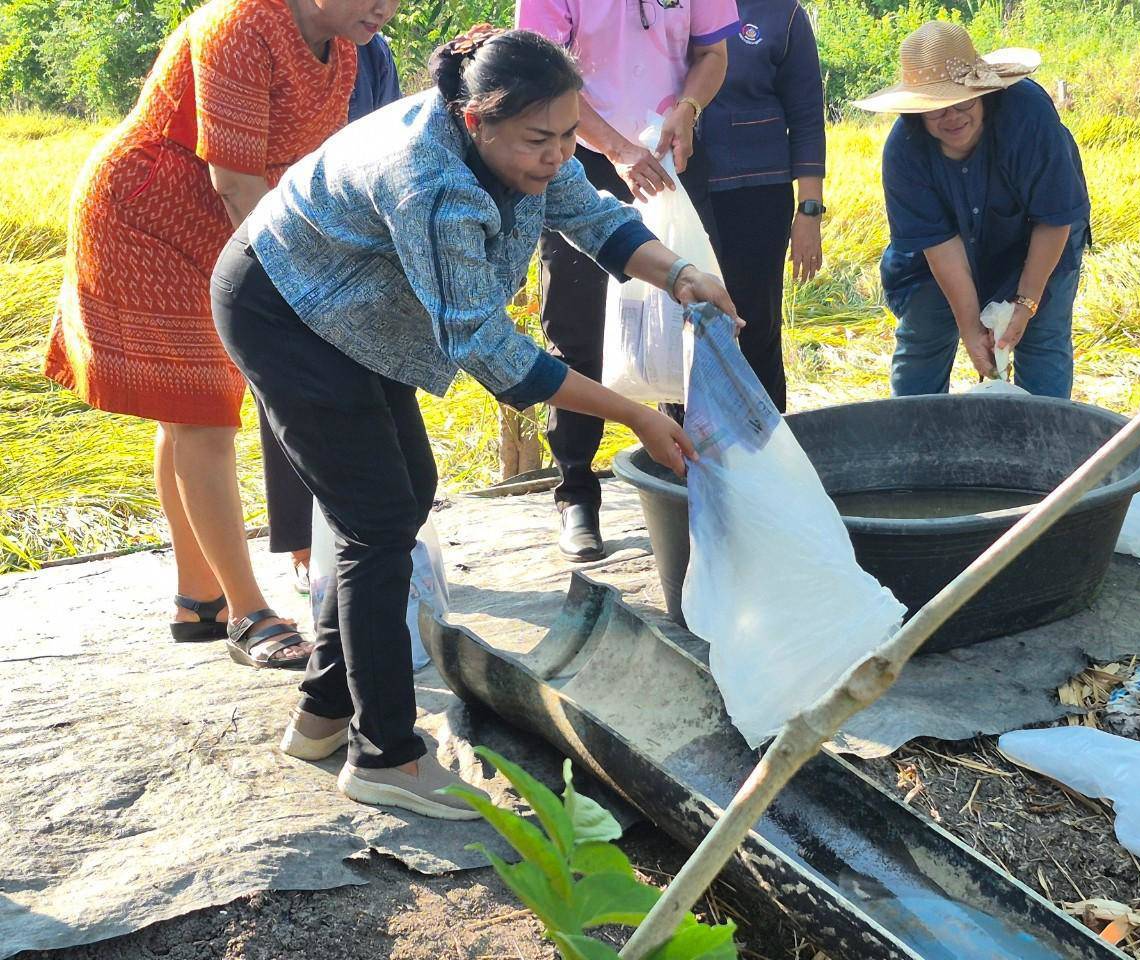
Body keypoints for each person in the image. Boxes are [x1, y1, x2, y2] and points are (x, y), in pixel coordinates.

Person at [211, 27, 738, 817]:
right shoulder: (431, 183)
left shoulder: (530, 143)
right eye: (538, 140)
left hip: (356, 306)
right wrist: (632, 413)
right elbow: (488, 348)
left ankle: (324, 711)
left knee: (401, 497)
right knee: (376, 523)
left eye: (568, 134)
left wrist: (682, 274)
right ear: (474, 121)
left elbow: (592, 215)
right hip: (284, 308)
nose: (556, 155)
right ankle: (384, 754)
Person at [43, 0, 398, 668]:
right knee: (202, 418)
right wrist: (295, 285)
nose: (388, 7)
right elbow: (235, 180)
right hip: (148, 217)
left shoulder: (345, 47)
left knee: (189, 415)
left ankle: (198, 599)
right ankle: (246, 613)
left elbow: (308, 170)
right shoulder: (239, 25)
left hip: (221, 224)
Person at [516, 0, 740, 563]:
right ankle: (576, 492)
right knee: (577, 331)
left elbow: (713, 53)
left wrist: (688, 108)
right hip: (581, 157)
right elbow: (541, 73)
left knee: (689, 317)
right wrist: (616, 148)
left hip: (673, 154)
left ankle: (694, 482)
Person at [854, 21, 1090, 398]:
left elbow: (1053, 218)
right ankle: (917, 432)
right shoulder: (903, 152)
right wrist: (969, 327)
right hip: (941, 258)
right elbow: (941, 247)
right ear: (917, 111)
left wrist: (1025, 304)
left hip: (1038, 235)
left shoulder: (1028, 116)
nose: (952, 117)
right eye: (936, 109)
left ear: (983, 92)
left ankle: (1044, 434)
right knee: (923, 337)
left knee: (1042, 336)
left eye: (962, 101)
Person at [256, 31, 404, 596]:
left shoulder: (372, 52)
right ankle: (304, 548)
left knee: (376, 397)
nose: (380, 9)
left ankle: (380, 541)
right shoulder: (267, 37)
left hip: (360, 238)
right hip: (284, 237)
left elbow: (390, 141)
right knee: (295, 401)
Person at [700, 0, 825, 412]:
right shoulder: (668, 8)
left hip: (758, 194)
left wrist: (809, 210)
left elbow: (807, 114)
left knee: (755, 324)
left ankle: (769, 439)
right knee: (686, 326)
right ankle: (686, 443)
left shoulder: (782, 13)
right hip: (679, 189)